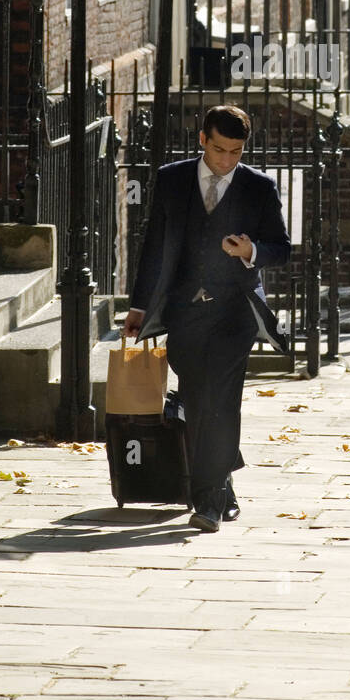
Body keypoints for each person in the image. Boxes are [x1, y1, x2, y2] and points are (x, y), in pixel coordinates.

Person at [123, 104, 291, 533]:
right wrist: (140, 306)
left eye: (235, 152)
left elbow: (281, 247)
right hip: (184, 310)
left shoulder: (258, 187)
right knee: (198, 401)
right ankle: (223, 467)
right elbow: (155, 246)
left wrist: (250, 252)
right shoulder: (171, 179)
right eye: (219, 150)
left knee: (223, 397)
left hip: (234, 310)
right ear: (202, 140)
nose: (226, 161)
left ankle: (209, 498)